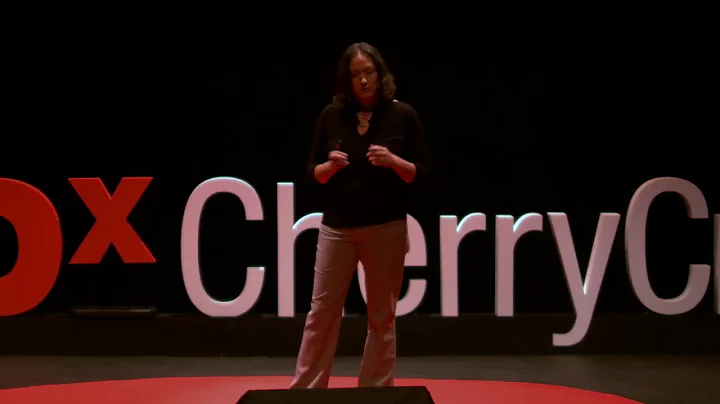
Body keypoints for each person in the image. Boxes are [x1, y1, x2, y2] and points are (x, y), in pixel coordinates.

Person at [290, 42, 431, 389]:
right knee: (321, 313)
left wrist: (394, 161)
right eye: (356, 75)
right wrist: (328, 166)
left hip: (386, 227)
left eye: (368, 72)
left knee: (382, 316)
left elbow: (422, 173)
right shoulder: (330, 115)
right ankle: (306, 391)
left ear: (380, 75)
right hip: (337, 228)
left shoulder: (403, 115)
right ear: (347, 80)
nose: (363, 80)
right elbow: (312, 173)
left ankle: (376, 390)